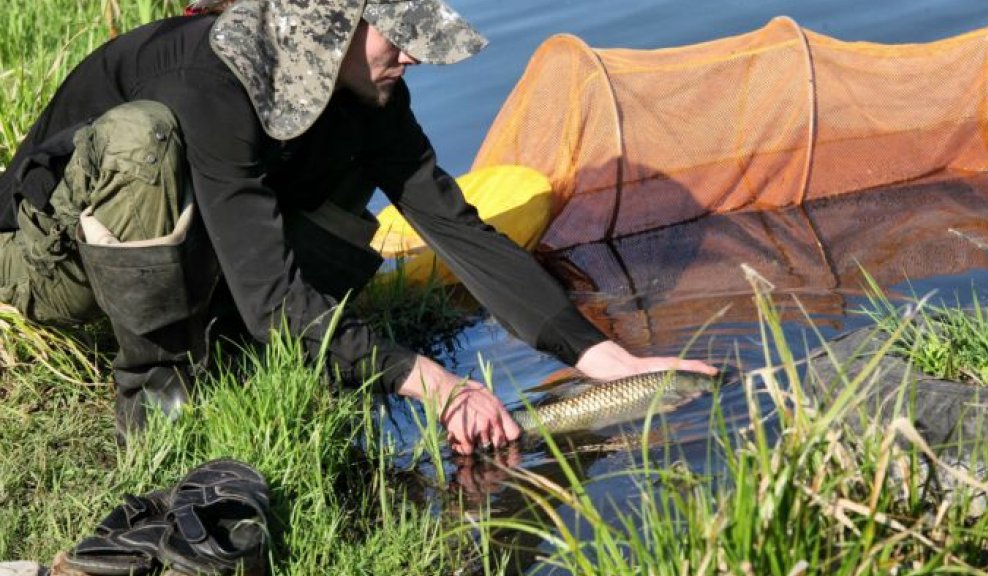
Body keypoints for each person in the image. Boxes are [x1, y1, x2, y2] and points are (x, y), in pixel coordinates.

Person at [0, 0, 716, 455]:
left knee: (337, 175)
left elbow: (455, 227)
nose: (410, 57)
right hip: (47, 259)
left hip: (176, 239)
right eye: (396, 36)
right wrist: (434, 383)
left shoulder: (365, 91)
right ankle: (156, 403)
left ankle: (222, 334)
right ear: (329, 26)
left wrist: (601, 357)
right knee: (144, 137)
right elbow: (274, 299)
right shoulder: (207, 80)